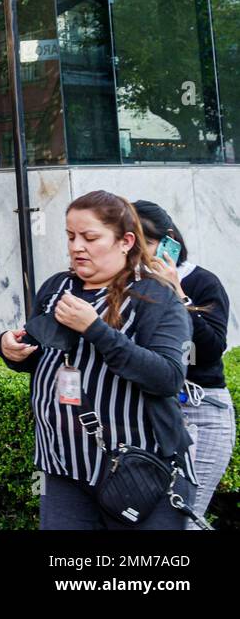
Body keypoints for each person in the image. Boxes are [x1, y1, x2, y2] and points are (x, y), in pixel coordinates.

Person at [0, 190, 197, 529]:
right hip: (62, 465)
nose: (77, 247)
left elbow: (167, 377)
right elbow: (41, 354)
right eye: (71, 236)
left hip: (139, 470)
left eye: (90, 237)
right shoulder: (56, 288)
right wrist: (9, 349)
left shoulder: (156, 297)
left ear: (125, 241)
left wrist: (95, 329)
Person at [133, 199, 235, 530]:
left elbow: (211, 348)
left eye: (147, 243)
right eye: (132, 243)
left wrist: (177, 293)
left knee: (184, 520)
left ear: (169, 241)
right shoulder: (129, 287)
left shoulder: (202, 282)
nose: (141, 254)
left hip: (201, 412)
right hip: (148, 415)